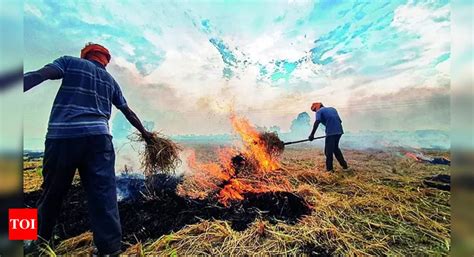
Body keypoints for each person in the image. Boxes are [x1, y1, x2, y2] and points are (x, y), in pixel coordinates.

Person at [23, 43, 153, 255]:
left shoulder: (70, 62)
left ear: (85, 55)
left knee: (50, 193)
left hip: (64, 137)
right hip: (99, 140)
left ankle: (37, 242)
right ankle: (109, 251)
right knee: (104, 196)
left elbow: (42, 74)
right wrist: (147, 136)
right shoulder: (111, 81)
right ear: (105, 61)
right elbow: (128, 112)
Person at [308, 102, 349, 172]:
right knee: (335, 149)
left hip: (331, 132)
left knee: (328, 151)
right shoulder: (333, 109)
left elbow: (317, 122)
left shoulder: (319, 111)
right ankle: (344, 166)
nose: (315, 112)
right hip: (339, 131)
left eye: (314, 110)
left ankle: (329, 170)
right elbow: (340, 121)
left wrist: (312, 135)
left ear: (317, 107)